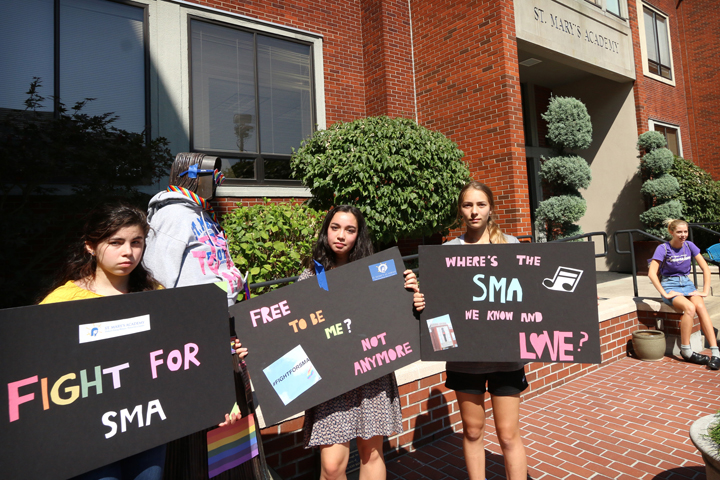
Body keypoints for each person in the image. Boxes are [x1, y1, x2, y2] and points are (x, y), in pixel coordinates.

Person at [40, 202, 166, 480]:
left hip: (147, 425)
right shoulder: (61, 302)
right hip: (88, 435)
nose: (128, 252)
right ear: (90, 246)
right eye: (116, 242)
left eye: (136, 242)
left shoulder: (157, 294)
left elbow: (180, 352)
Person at [414, 181, 528, 480]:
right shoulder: (448, 251)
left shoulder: (511, 246)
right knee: (473, 431)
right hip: (464, 358)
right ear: (460, 210)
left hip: (506, 358)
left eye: (480, 204)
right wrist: (421, 299)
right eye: (467, 205)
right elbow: (437, 305)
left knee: (507, 434)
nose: (474, 211)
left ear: (491, 208)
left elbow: (530, 296)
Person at [298, 205, 419, 480]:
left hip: (371, 371)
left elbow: (396, 314)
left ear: (358, 236)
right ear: (326, 231)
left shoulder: (378, 272)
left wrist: (410, 292)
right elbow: (294, 331)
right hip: (332, 380)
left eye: (350, 230)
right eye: (335, 228)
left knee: (372, 453)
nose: (341, 235)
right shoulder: (310, 277)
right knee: (331, 467)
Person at [647, 219, 720, 370]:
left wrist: (705, 290)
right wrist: (664, 293)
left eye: (685, 232)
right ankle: (686, 350)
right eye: (679, 232)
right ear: (671, 232)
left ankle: (715, 352)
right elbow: (652, 273)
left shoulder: (689, 246)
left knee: (700, 306)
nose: (683, 235)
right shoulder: (663, 248)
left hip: (687, 284)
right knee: (689, 308)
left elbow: (705, 268)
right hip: (670, 285)